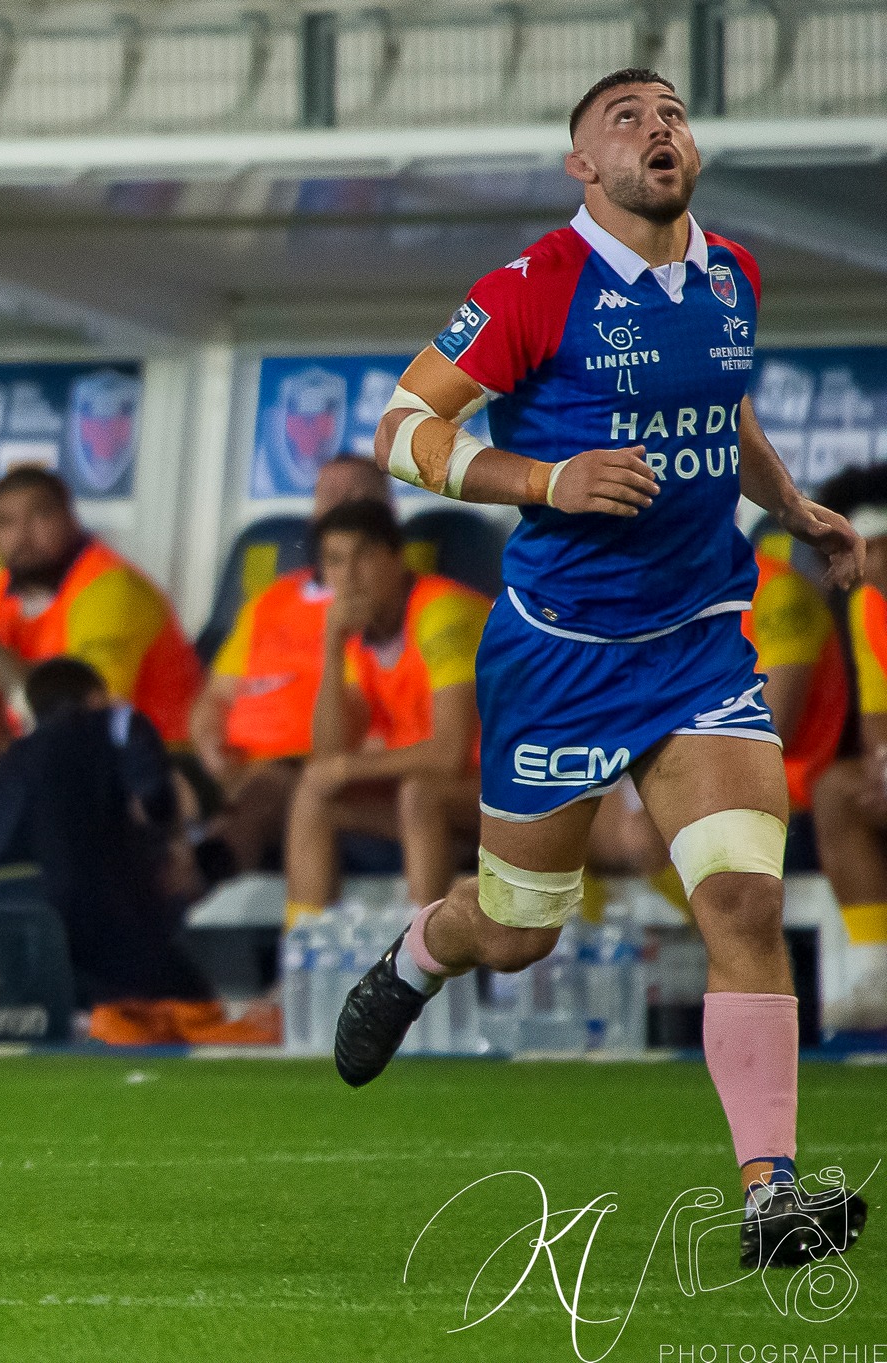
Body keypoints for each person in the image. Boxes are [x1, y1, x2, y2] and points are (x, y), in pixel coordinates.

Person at [332, 68, 867, 1270]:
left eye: (668, 114)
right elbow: (400, 430)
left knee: (740, 898)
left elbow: (718, 413)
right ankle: (421, 952)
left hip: (696, 643)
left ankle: (768, 1195)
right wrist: (545, 479)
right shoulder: (530, 287)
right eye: (623, 120)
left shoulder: (730, 274)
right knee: (517, 930)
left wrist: (790, 507)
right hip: (561, 656)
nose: (653, 130)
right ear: (582, 166)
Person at [0, 466, 201, 907]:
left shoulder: (110, 589)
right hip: (45, 771)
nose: (22, 537)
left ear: (69, 520)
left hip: (134, 776)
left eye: (40, 516)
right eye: (6, 523)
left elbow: (83, 719)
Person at [0, 657, 207, 1032]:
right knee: (191, 998)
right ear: (96, 697)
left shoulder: (15, 759)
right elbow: (154, 799)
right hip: (94, 924)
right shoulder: (117, 723)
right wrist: (173, 844)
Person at [588, 542, 847, 902]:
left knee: (642, 828)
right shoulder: (671, 602)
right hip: (716, 782)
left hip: (789, 792)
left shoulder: (775, 592)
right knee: (568, 805)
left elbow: (771, 728)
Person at [282, 500, 487, 925]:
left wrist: (347, 768)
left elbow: (450, 754)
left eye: (363, 556)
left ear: (396, 558)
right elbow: (328, 754)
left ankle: (420, 953)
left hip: (510, 787)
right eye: (335, 561)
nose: (349, 575)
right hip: (442, 801)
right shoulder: (359, 632)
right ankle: (303, 944)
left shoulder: (441, 613)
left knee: (418, 792)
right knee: (313, 791)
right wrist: (332, 649)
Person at [192, 455, 394, 876]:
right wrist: (209, 744)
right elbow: (216, 695)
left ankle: (197, 885)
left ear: (387, 510)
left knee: (257, 799)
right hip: (234, 765)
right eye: (327, 493)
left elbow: (367, 719)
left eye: (354, 493)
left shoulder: (384, 607)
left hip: (309, 767)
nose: (338, 503)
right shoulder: (271, 598)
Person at [805, 465, 887, 1032]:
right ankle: (877, 971)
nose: (866, 563)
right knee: (837, 791)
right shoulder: (868, 606)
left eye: (877, 548)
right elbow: (876, 720)